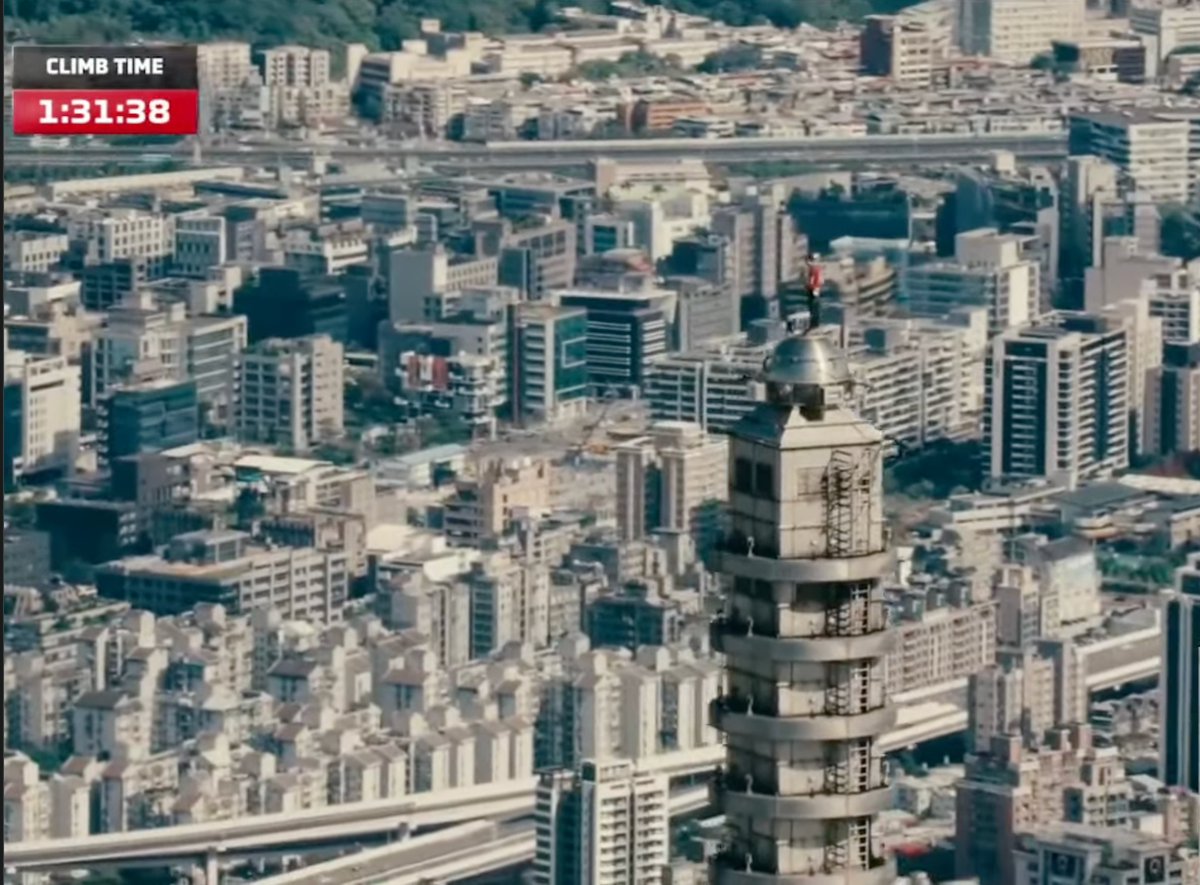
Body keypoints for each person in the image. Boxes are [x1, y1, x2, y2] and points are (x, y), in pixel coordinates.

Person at [804, 253, 823, 329]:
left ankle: (814, 324)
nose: (807, 263)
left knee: (814, 307)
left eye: (808, 261)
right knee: (812, 307)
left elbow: (817, 281)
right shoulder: (813, 269)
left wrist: (814, 288)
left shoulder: (815, 269)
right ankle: (813, 323)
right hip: (812, 289)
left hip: (814, 290)